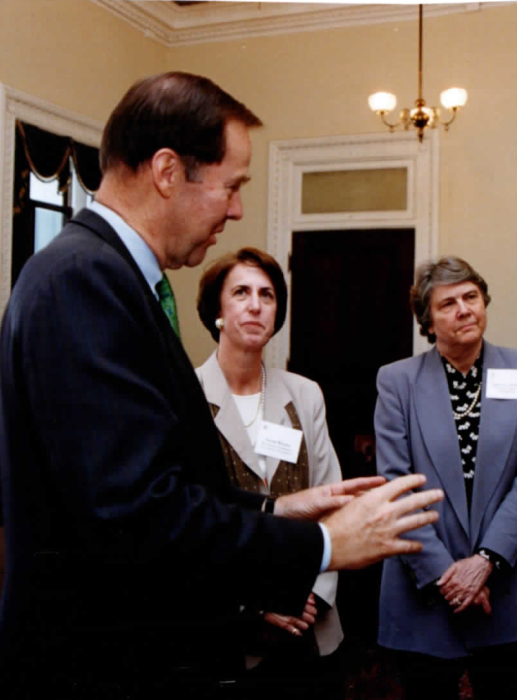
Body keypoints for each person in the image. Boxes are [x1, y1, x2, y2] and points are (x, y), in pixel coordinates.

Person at [0, 71, 443, 699]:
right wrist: (322, 543)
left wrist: (275, 509)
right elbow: (134, 518)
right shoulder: (83, 281)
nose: (236, 210)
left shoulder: (110, 275)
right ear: (168, 171)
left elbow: (153, 482)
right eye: (231, 186)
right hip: (99, 665)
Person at [373, 256, 517, 700]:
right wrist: (448, 575)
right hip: (424, 587)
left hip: (506, 584)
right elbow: (396, 486)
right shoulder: (397, 381)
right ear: (428, 322)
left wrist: (485, 561)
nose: (464, 310)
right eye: (447, 304)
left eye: (471, 297)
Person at [193, 247, 344, 698]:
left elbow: (333, 503)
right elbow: (188, 520)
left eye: (267, 295)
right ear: (217, 311)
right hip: (223, 629)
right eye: (241, 293)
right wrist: (258, 604)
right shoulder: (186, 397)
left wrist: (310, 594)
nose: (256, 305)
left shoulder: (305, 394)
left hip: (309, 624)